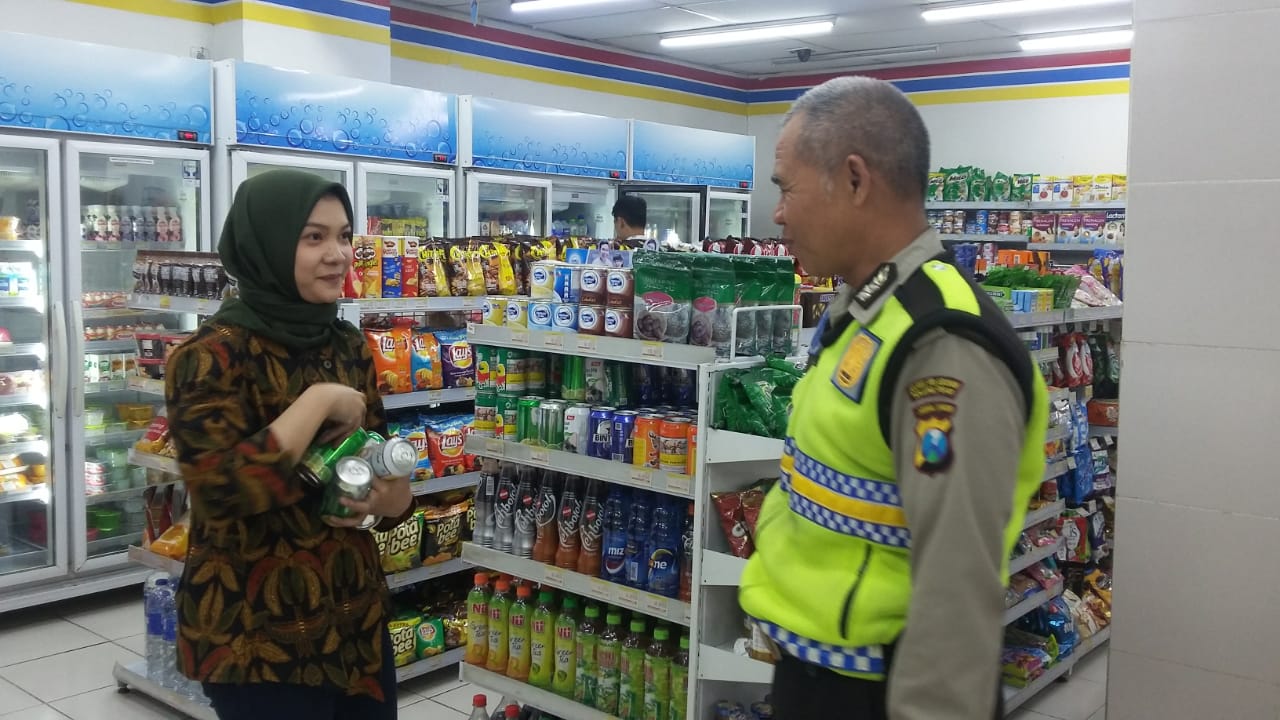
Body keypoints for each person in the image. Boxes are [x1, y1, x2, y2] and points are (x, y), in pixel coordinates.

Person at [738, 77, 1049, 720]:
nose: (779, 215)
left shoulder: (942, 345)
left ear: (855, 180)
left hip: (879, 691)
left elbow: (956, 589)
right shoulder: (868, 312)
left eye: (786, 188)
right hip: (821, 676)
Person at [164, 169, 414, 720]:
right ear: (267, 246)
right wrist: (319, 400)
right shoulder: (207, 357)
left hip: (354, 619)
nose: (338, 255)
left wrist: (389, 500)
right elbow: (221, 492)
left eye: (344, 236)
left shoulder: (348, 345)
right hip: (255, 636)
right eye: (313, 237)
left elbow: (381, 466)